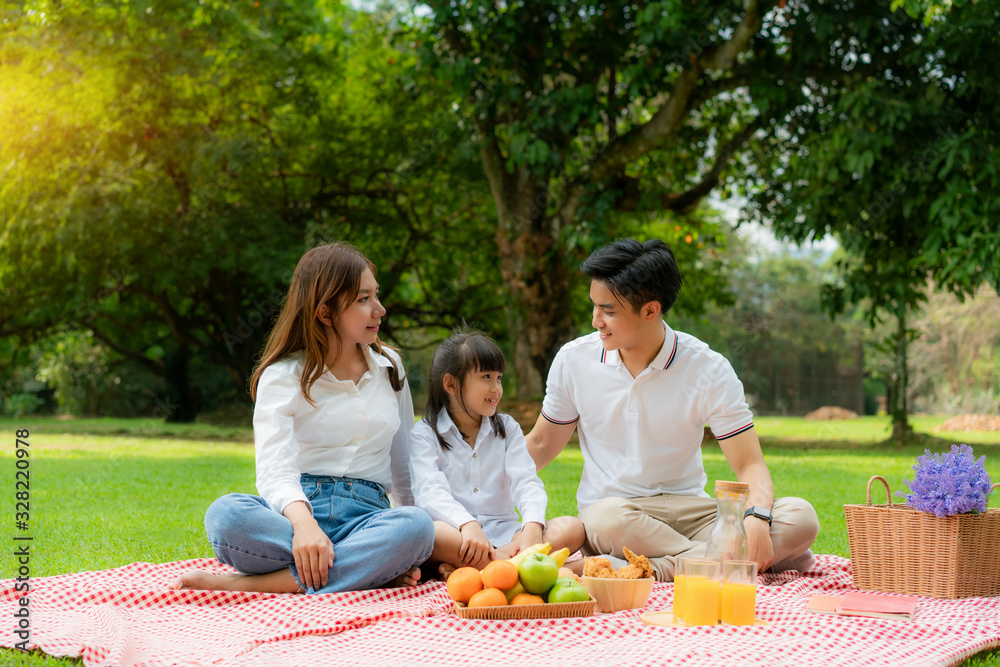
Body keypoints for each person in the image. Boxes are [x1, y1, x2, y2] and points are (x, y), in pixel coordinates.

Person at [525, 238, 819, 581]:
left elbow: (749, 463)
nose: (595, 321)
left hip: (692, 511)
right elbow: (542, 444)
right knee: (602, 518)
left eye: (608, 311)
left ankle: (655, 568)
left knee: (800, 517)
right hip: (619, 516)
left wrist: (755, 519)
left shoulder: (708, 368)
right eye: (594, 306)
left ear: (650, 310)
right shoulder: (574, 361)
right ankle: (726, 559)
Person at [174, 243, 435, 594]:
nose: (380, 309)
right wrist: (305, 526)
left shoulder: (390, 367)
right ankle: (364, 570)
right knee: (226, 515)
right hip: (294, 514)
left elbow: (403, 469)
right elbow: (275, 469)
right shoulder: (282, 375)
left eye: (376, 296)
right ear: (326, 312)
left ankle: (259, 585)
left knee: (416, 526)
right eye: (363, 299)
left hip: (367, 518)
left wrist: (410, 546)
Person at [410, 331, 585, 575]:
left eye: (499, 378)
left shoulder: (508, 429)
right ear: (451, 384)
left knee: (573, 527)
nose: (496, 388)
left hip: (508, 535)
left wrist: (533, 526)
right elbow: (430, 492)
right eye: (486, 377)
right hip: (460, 536)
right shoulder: (424, 434)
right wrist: (468, 524)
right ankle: (536, 567)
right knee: (434, 534)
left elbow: (526, 480)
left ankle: (486, 569)